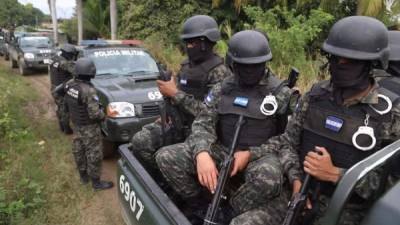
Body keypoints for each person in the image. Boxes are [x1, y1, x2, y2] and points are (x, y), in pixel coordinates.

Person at [250, 16, 400, 225]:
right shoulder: (315, 96)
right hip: (300, 195)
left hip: (347, 211)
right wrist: (295, 179)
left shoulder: (391, 114)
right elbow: (288, 143)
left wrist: (338, 175)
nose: (340, 65)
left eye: (350, 61)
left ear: (371, 64)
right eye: (335, 58)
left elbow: (393, 186)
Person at [156, 30, 299, 225]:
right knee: (166, 157)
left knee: (269, 178)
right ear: (233, 63)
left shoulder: (282, 94)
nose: (249, 71)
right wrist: (202, 153)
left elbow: (287, 139)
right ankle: (200, 205)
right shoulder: (223, 88)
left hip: (260, 156)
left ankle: (229, 211)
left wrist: (251, 154)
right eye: (243, 66)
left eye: (255, 65)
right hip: (223, 149)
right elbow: (202, 123)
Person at [129, 15, 229, 173]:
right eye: (186, 43)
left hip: (202, 133)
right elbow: (178, 95)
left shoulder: (220, 72)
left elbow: (209, 114)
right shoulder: (186, 66)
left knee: (166, 156)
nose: (188, 47)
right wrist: (169, 106)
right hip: (178, 123)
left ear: (205, 43)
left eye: (191, 43)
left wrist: (175, 93)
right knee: (140, 141)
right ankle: (166, 179)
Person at [65, 58, 113, 190]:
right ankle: (96, 183)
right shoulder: (89, 90)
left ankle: (83, 177)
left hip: (76, 124)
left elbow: (65, 101)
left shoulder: (69, 84)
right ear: (91, 72)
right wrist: (105, 115)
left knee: (78, 150)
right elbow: (95, 114)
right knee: (94, 154)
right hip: (89, 127)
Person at [50, 44, 77, 134]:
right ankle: (66, 129)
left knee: (60, 107)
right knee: (65, 109)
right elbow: (75, 71)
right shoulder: (64, 63)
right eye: (72, 55)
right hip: (62, 89)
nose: (73, 57)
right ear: (68, 54)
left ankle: (61, 126)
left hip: (54, 87)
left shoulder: (55, 58)